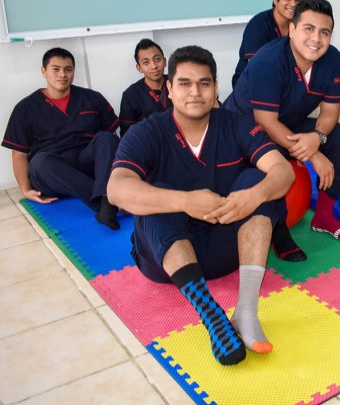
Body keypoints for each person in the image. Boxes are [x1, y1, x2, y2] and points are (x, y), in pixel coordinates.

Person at [107, 45, 294, 366]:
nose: (195, 91)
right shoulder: (146, 132)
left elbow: (283, 171)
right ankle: (211, 314)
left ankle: (246, 312)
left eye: (204, 83)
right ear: (169, 88)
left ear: (215, 87)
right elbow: (116, 189)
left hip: (226, 251)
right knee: (154, 197)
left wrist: (255, 195)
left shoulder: (235, 124)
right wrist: (185, 201)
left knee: (258, 181)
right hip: (168, 261)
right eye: (185, 83)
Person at [224, 0, 340, 262]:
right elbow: (265, 122)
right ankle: (279, 230)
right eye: (308, 29)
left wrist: (317, 137)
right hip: (245, 128)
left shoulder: (333, 59)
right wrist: (313, 154)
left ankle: (324, 215)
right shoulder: (268, 61)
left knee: (339, 136)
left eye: (324, 32)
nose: (316, 39)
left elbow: (330, 112)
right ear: (292, 30)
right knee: (271, 159)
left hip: (287, 121)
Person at [2, 47, 121, 229]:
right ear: (44, 71)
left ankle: (106, 200)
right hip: (53, 170)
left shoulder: (92, 98)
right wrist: (25, 189)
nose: (62, 75)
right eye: (56, 69)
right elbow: (19, 154)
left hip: (86, 161)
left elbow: (112, 140)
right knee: (39, 162)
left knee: (107, 138)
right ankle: (108, 201)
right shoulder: (25, 108)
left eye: (68, 69)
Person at [231, 0, 305, 87]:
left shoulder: (298, 25)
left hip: (281, 83)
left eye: (298, 0)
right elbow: (257, 69)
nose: (293, 4)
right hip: (250, 86)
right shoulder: (258, 24)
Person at [119, 38, 171, 136]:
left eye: (157, 59)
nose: (154, 66)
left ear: (165, 61)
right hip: (150, 142)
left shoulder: (178, 84)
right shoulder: (130, 95)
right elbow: (127, 135)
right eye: (146, 62)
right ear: (139, 68)